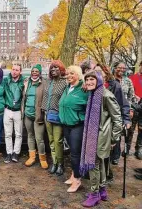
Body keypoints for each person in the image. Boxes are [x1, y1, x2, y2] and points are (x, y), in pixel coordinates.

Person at [80, 69, 122, 207]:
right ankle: (102, 190)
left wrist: (114, 139)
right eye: (87, 79)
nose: (89, 82)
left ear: (99, 80)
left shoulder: (106, 95)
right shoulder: (93, 94)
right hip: (93, 134)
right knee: (99, 163)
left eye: (92, 79)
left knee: (94, 165)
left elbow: (117, 119)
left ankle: (94, 194)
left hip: (101, 136)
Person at [59, 65, 89, 193]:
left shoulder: (84, 89)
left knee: (76, 154)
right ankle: (73, 175)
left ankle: (77, 179)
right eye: (67, 73)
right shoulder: (67, 88)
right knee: (72, 152)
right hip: (66, 125)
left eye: (72, 73)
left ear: (78, 74)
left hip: (77, 125)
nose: (69, 75)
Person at [41, 60, 67, 176]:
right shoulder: (48, 82)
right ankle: (55, 163)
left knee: (58, 141)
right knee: (51, 140)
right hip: (47, 114)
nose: (54, 70)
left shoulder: (65, 82)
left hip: (58, 115)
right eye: (52, 68)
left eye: (56, 68)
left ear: (61, 69)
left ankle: (61, 164)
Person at [22, 64, 48, 169]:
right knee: (30, 136)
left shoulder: (44, 83)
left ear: (40, 73)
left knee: (39, 138)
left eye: (37, 71)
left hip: (38, 115)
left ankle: (43, 159)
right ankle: (32, 157)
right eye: (33, 71)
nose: (34, 73)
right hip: (27, 114)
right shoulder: (26, 82)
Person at [3, 64, 25, 163]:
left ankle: (16, 153)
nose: (14, 71)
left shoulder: (23, 82)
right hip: (7, 110)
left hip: (18, 111)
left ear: (20, 71)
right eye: (13, 69)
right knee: (7, 134)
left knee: (18, 134)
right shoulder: (6, 81)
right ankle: (9, 153)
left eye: (17, 70)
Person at [129, 61, 142, 160]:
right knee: (131, 129)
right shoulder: (132, 77)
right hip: (134, 106)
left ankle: (139, 149)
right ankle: (127, 148)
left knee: (141, 130)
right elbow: (129, 92)